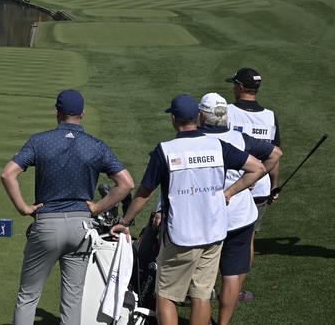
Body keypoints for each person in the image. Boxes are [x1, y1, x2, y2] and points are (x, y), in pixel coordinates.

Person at [110, 94, 266, 325]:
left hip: (181, 235)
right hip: (214, 234)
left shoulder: (165, 150)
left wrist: (125, 222)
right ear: (199, 117)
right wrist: (229, 193)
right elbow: (258, 168)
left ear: (174, 119)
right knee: (201, 295)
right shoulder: (218, 146)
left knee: (166, 294)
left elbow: (145, 193)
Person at [1, 89, 135, 324]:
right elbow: (126, 184)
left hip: (47, 227)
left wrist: (23, 208)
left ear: (57, 112)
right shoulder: (96, 145)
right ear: (82, 113)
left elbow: (8, 174)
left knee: (28, 296)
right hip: (81, 229)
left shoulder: (39, 141)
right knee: (72, 300)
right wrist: (97, 208)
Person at [196, 93, 282, 325]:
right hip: (240, 217)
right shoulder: (240, 138)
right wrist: (248, 179)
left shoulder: (194, 140)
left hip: (205, 216)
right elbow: (275, 153)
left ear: (202, 116)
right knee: (232, 273)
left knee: (204, 274)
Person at [225, 67, 281, 301]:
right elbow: (274, 154)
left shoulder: (227, 112)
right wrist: (273, 185)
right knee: (248, 240)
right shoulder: (270, 116)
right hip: (259, 188)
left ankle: (208, 289)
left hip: (229, 186)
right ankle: (235, 292)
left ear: (240, 87)